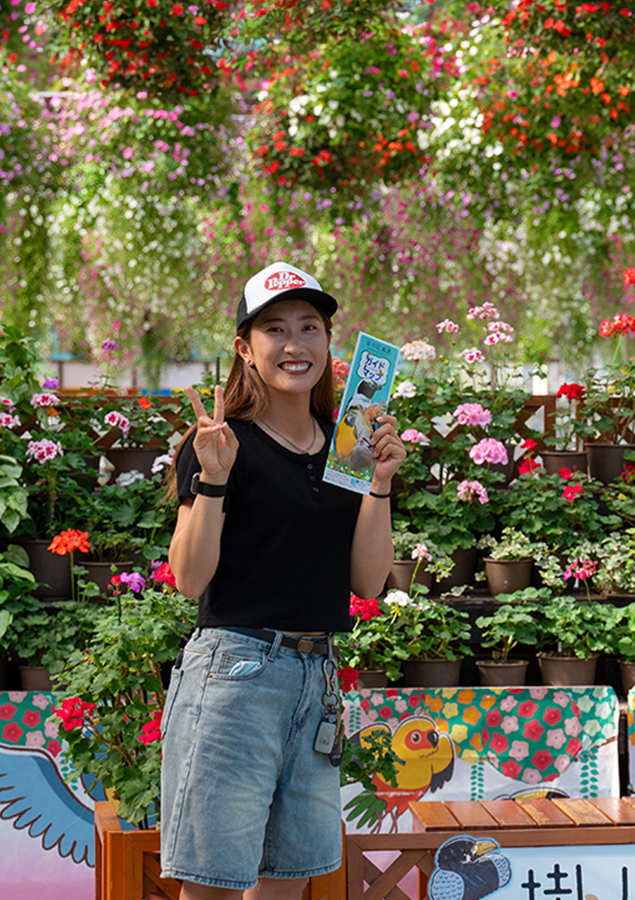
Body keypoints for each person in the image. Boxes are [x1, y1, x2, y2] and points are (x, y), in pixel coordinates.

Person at [161, 262, 405, 900]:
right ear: (246, 348)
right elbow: (189, 579)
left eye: (310, 327)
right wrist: (213, 476)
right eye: (275, 329)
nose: (295, 345)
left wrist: (379, 485)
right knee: (212, 885)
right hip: (233, 676)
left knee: (287, 882)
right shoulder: (220, 443)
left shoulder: (347, 446)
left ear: (330, 344)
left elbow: (369, 580)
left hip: (315, 678)